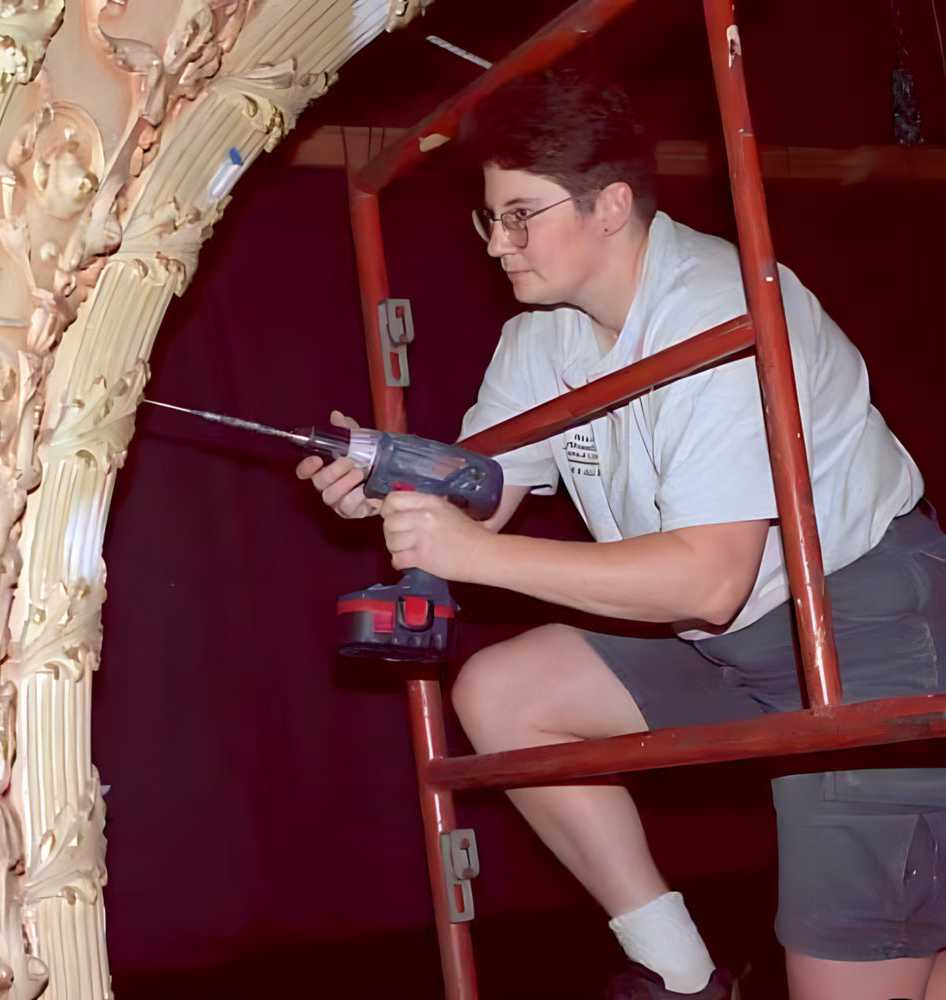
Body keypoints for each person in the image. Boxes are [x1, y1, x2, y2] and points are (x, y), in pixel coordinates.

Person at [298, 69, 945, 1000]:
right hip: (726, 641)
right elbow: (484, 498)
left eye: (521, 215)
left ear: (608, 206)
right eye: (489, 218)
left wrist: (467, 551)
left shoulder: (721, 310)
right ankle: (680, 975)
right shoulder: (541, 338)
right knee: (505, 692)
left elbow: (708, 580)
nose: (498, 244)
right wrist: (391, 491)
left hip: (864, 631)